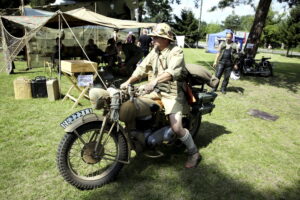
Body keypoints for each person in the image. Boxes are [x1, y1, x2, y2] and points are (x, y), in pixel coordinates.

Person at [120, 23, 200, 168]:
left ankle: (194, 152)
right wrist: (128, 81)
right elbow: (142, 67)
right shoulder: (154, 51)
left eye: (157, 37)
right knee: (134, 103)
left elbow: (172, 72)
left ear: (166, 39)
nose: (153, 39)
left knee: (177, 127)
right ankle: (140, 137)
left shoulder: (176, 51)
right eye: (153, 37)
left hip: (172, 93)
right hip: (156, 90)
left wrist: (154, 81)